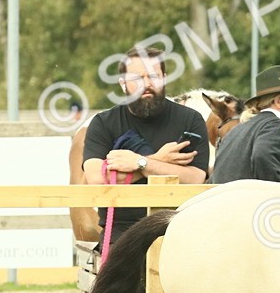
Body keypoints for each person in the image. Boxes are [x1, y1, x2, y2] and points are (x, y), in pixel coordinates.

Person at [82, 47, 209, 240]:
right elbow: (96, 178)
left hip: (178, 230)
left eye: (153, 76)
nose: (146, 84)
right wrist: (160, 161)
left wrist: (142, 163)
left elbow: (195, 178)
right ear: (123, 84)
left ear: (164, 78)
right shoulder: (103, 123)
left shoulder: (190, 120)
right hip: (121, 233)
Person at [210, 65, 280, 185]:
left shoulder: (236, 131)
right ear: (279, 101)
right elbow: (263, 156)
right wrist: (274, 197)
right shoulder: (274, 125)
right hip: (255, 202)